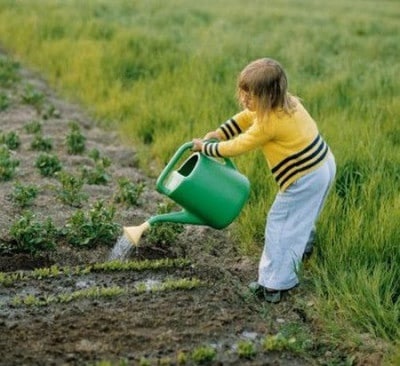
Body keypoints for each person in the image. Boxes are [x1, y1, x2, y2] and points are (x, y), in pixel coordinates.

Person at [192, 58, 336, 303]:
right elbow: (248, 116)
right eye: (243, 93)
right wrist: (220, 132)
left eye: (251, 96)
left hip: (304, 177)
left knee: (279, 225)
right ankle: (303, 246)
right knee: (301, 217)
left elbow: (238, 146)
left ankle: (273, 285)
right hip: (323, 164)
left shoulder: (269, 124)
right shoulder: (288, 103)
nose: (245, 101)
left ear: (269, 97)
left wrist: (206, 148)